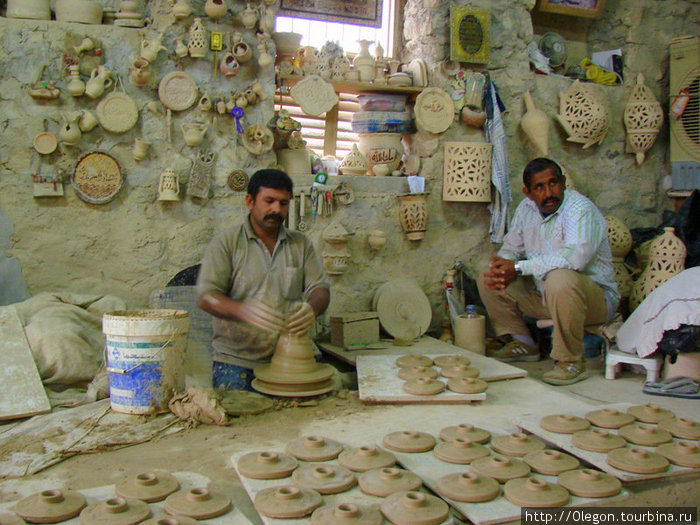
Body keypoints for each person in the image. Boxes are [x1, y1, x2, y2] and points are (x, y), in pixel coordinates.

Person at [477, 158, 619, 386]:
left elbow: (575, 259)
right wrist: (504, 266)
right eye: (540, 187)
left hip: (594, 300)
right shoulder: (526, 209)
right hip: (547, 295)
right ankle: (525, 343)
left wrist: (518, 268)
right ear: (528, 192)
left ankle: (570, 361)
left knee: (560, 278)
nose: (549, 192)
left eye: (553, 183)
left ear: (563, 183)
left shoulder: (580, 210)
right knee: (489, 273)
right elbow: (511, 248)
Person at [196, 169, 330, 390]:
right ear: (250, 201)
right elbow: (205, 296)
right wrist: (243, 310)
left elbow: (320, 288)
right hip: (237, 361)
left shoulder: (300, 243)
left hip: (292, 359)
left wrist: (312, 308)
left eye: (283, 203)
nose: (276, 209)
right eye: (269, 201)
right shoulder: (227, 242)